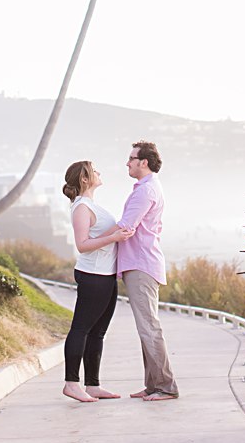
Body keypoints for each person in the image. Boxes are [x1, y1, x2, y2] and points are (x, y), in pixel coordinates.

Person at [61, 160, 134, 403]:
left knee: (98, 333)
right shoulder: (81, 207)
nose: (99, 172)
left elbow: (97, 237)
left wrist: (116, 236)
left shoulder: (90, 205)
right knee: (81, 329)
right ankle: (72, 383)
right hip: (93, 276)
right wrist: (114, 236)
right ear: (84, 178)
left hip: (105, 274)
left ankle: (93, 385)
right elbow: (82, 246)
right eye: (94, 170)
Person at [117, 140, 179, 401]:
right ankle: (153, 384)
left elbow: (126, 226)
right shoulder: (147, 187)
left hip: (141, 264)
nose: (127, 163)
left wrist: (91, 234)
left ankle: (166, 386)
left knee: (149, 327)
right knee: (146, 327)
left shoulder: (145, 191)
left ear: (144, 162)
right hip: (140, 263)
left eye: (131, 158)